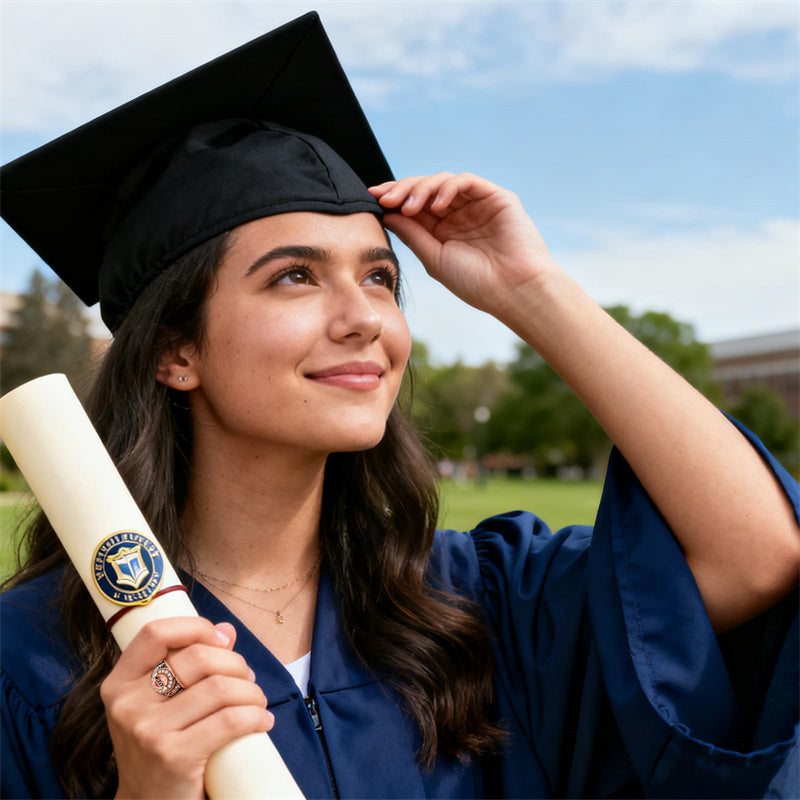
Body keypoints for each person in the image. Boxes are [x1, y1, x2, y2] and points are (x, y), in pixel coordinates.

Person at [1, 12, 798, 800]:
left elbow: (757, 556)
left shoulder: (476, 604)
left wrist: (533, 293)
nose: (366, 320)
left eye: (381, 277)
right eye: (295, 276)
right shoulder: (32, 660)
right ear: (178, 351)